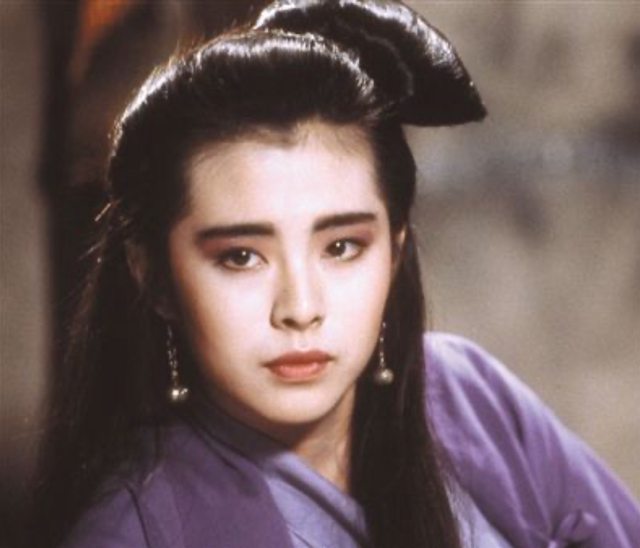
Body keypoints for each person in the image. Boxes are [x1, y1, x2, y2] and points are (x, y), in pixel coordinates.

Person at [32, 1, 640, 547]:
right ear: (154, 277)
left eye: (343, 247)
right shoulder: (135, 531)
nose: (300, 307)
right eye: (241, 256)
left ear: (395, 251)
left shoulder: (470, 396)